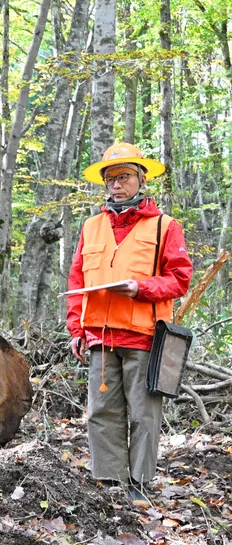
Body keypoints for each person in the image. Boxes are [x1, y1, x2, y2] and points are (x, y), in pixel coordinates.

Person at [67, 143, 193, 502]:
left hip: (145, 337)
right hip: (101, 339)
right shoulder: (91, 227)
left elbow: (179, 278)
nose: (115, 184)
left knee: (143, 415)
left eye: (123, 177)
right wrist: (77, 329)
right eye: (110, 178)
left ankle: (139, 486)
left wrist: (141, 288)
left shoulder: (165, 227)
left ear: (141, 178)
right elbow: (77, 283)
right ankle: (109, 483)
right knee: (102, 413)